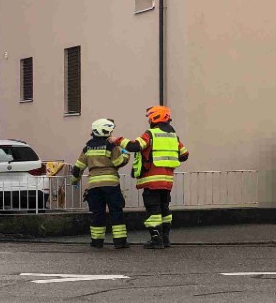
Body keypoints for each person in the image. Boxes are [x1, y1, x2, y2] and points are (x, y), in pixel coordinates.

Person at [111, 106, 189, 249]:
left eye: (150, 117)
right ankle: (165, 239)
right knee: (165, 209)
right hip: (167, 181)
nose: (148, 120)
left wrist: (117, 140)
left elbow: (134, 146)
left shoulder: (151, 134)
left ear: (155, 117)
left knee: (153, 211)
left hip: (152, 181)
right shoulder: (174, 136)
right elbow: (184, 155)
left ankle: (156, 240)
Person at [70, 118, 129, 249]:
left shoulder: (87, 148)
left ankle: (97, 242)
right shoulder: (111, 146)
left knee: (97, 213)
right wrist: (126, 155)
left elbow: (78, 168)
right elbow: (119, 162)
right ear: (107, 131)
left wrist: (74, 181)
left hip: (94, 186)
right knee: (116, 212)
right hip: (111, 185)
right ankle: (120, 242)